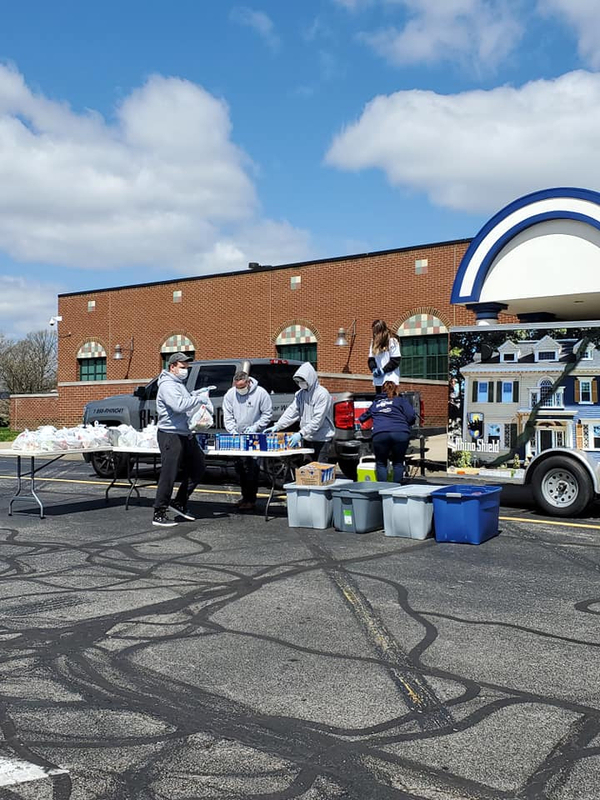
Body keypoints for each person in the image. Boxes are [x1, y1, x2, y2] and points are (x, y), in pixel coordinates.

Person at [152, 353, 209, 527]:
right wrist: (198, 399)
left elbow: (185, 403)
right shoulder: (167, 385)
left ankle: (179, 502)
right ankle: (159, 512)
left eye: (187, 368)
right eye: (182, 367)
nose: (185, 371)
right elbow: (178, 405)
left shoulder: (178, 384)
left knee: (198, 467)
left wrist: (195, 399)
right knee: (169, 473)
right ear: (172, 367)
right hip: (170, 434)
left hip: (184, 433)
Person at [223, 370, 273, 512]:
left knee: (252, 469)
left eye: (242, 387)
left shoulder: (261, 393)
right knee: (240, 468)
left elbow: (267, 414)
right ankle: (245, 497)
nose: (240, 390)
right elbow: (228, 415)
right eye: (237, 387)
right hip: (238, 437)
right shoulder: (230, 394)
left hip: (255, 437)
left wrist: (255, 427)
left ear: (249, 382)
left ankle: (251, 499)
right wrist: (233, 431)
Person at [265, 362, 334, 462]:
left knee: (319, 470)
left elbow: (317, 420)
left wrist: (300, 433)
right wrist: (278, 426)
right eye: (297, 381)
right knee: (307, 471)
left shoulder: (322, 394)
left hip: (322, 439)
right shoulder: (300, 394)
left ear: (310, 378)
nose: (300, 384)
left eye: (302, 381)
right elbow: (291, 412)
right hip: (307, 438)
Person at [358, 375, 416, 483]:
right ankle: (396, 489)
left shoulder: (376, 403)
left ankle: (383, 490)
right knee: (398, 462)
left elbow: (363, 417)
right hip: (400, 433)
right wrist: (406, 424)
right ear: (395, 389)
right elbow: (411, 416)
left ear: (382, 390)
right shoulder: (401, 400)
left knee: (381, 463)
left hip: (380, 434)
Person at [368, 319, 401, 391]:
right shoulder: (373, 342)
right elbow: (371, 359)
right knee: (380, 400)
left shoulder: (392, 341)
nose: (374, 334)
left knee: (390, 400)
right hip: (378, 380)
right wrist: (373, 368)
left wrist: (383, 370)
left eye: (376, 332)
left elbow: (395, 360)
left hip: (390, 378)